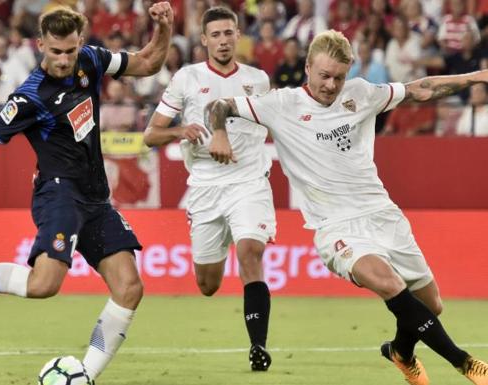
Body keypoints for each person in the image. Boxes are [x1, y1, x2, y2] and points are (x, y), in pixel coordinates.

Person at [0, 4, 173, 383]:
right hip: (59, 194)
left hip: (96, 198)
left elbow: (149, 62)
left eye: (70, 50)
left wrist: (164, 27)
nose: (64, 59)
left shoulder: (91, 60)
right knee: (43, 285)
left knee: (130, 288)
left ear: (80, 43)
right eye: (56, 51)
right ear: (40, 45)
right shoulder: (29, 97)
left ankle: (84, 376)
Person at [205, 29, 488, 385]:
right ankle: (466, 364)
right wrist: (218, 132)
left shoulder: (362, 94)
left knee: (431, 305)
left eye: (338, 77)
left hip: (382, 214)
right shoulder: (281, 104)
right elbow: (219, 106)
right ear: (307, 67)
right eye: (323, 75)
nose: (330, 85)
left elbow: (420, 89)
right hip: (336, 226)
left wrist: (475, 77)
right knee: (388, 283)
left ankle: (401, 352)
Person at [143, 6, 276, 372]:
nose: (222, 40)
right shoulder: (186, 79)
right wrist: (179, 131)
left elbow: (277, 123)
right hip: (204, 188)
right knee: (208, 284)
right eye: (215, 35)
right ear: (204, 40)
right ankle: (217, 276)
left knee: (250, 251)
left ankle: (259, 347)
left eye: (228, 33)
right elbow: (150, 134)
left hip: (249, 181)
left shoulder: (258, 80)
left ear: (238, 36)